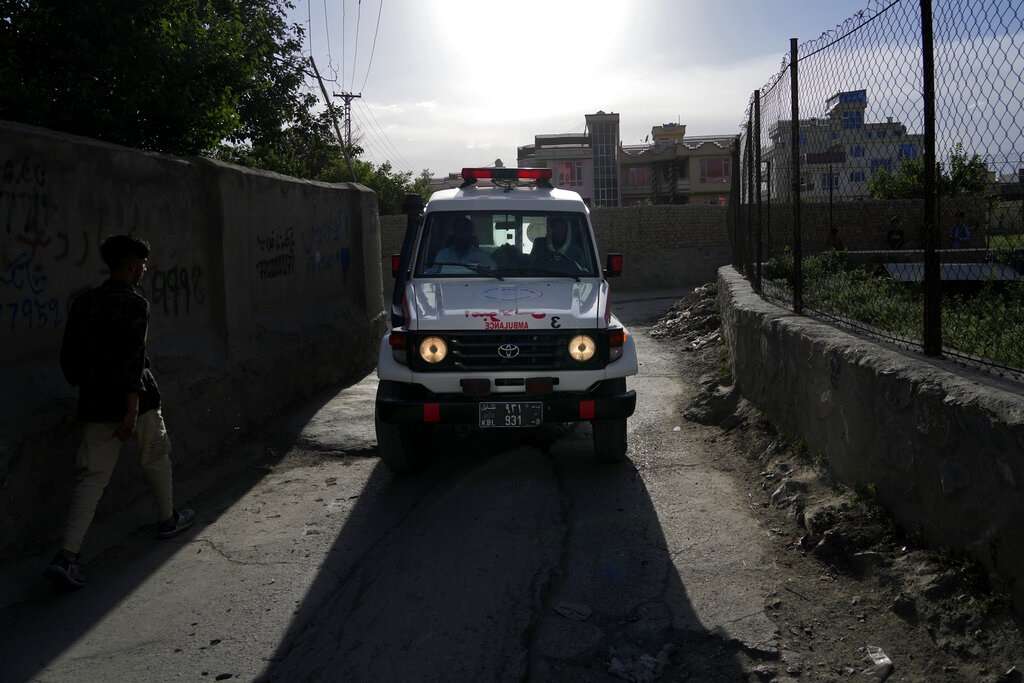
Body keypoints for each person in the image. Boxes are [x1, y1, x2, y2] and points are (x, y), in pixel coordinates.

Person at [46, 235, 195, 589]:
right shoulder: (135, 305)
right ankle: (167, 519)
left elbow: (69, 362)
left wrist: (92, 386)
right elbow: (131, 361)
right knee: (156, 456)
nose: (144, 269)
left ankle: (67, 556)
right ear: (131, 266)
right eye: (142, 264)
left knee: (91, 477)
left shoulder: (84, 303)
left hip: (94, 403)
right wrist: (129, 409)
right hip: (135, 402)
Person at [430, 217, 495, 272]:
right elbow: (432, 274)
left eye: (465, 231)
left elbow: (494, 272)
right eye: (459, 230)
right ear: (454, 233)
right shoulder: (443, 255)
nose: (462, 235)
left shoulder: (482, 256)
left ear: (471, 234)